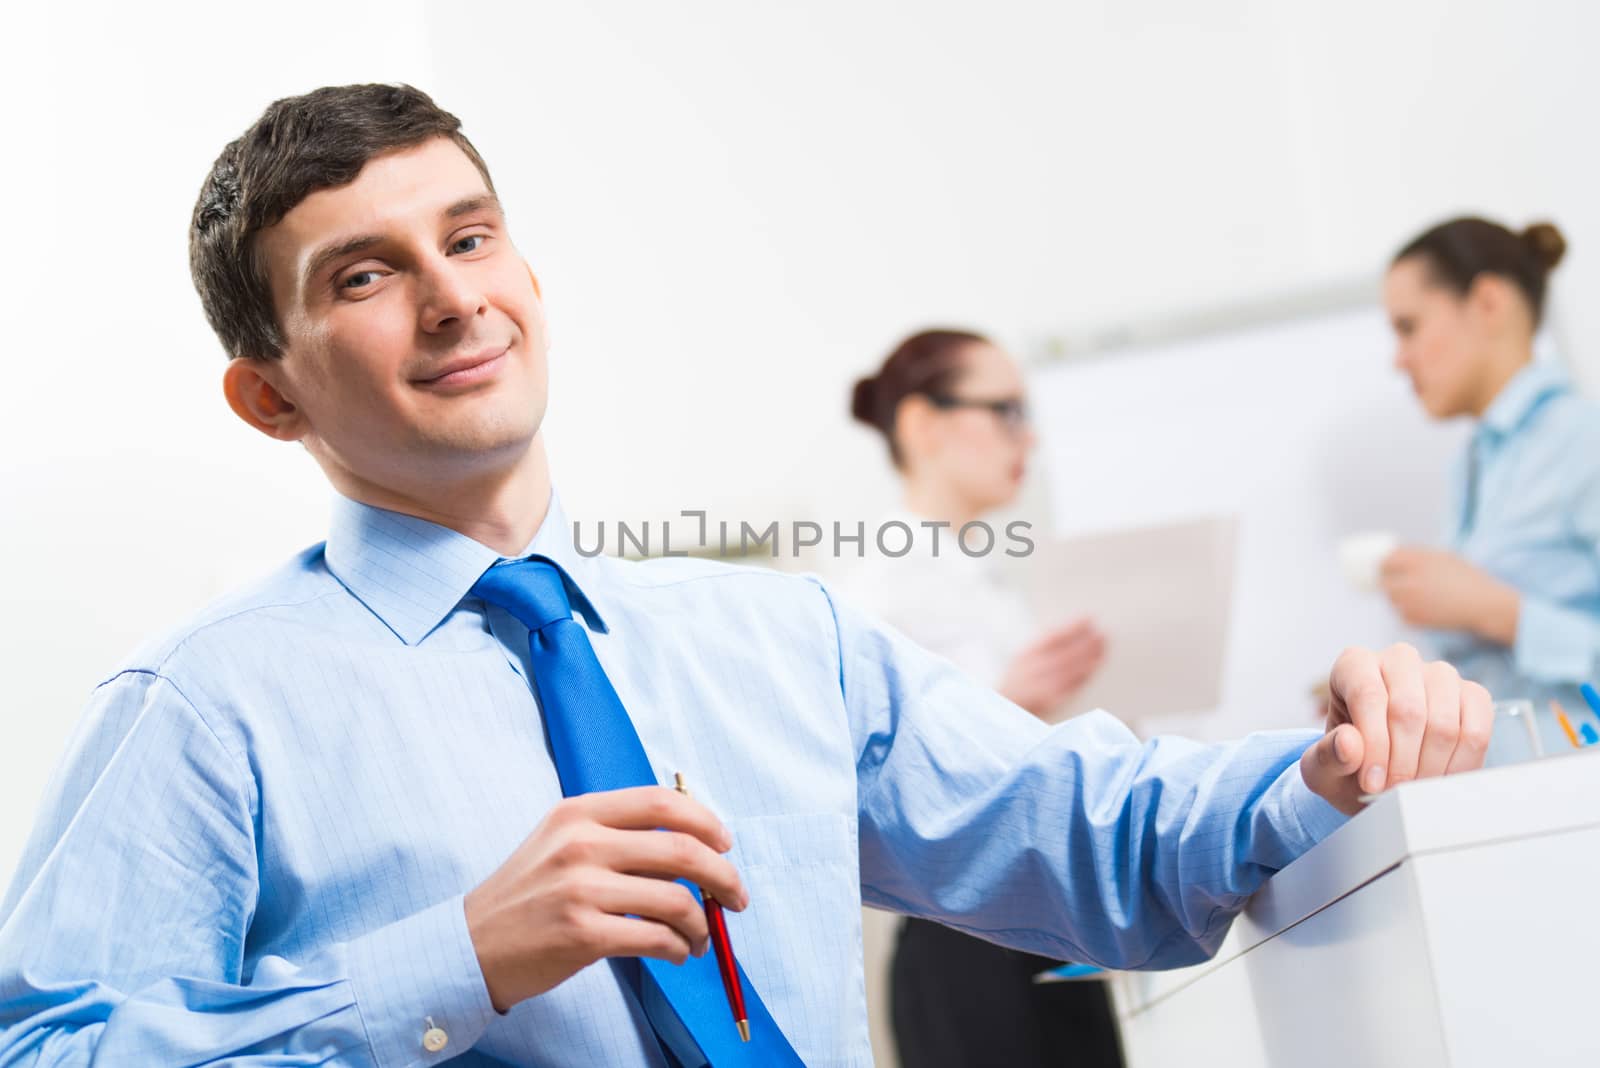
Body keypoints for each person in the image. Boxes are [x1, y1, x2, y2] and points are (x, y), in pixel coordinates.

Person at [0, 84, 1491, 1067]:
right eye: (366, 274)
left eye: (471, 237)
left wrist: (1328, 775)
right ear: (271, 396)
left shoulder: (780, 636)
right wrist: (451, 964)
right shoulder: (202, 709)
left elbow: (1093, 844)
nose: (454, 296)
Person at [847, 329, 1119, 1067]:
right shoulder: (873, 595)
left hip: (1054, 928)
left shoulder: (988, 585)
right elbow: (870, 796)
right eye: (1003, 410)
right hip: (964, 952)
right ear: (922, 425)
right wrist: (1009, 707)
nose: (1024, 436)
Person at [1381, 217, 1600, 722]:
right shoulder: (1472, 463)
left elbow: (1498, 618)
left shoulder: (1584, 441)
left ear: (1488, 304)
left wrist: (1500, 613)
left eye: (1409, 327)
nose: (1398, 360)